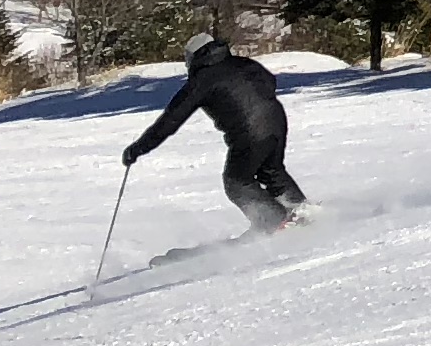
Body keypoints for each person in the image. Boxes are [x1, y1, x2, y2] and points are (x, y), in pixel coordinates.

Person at [123, 36, 308, 233]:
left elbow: (171, 119)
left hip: (250, 132)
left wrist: (139, 148)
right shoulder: (243, 63)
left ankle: (276, 222)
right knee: (271, 170)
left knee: (237, 181)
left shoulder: (202, 80)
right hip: (276, 120)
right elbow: (269, 80)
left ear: (196, 56)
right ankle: (303, 211)